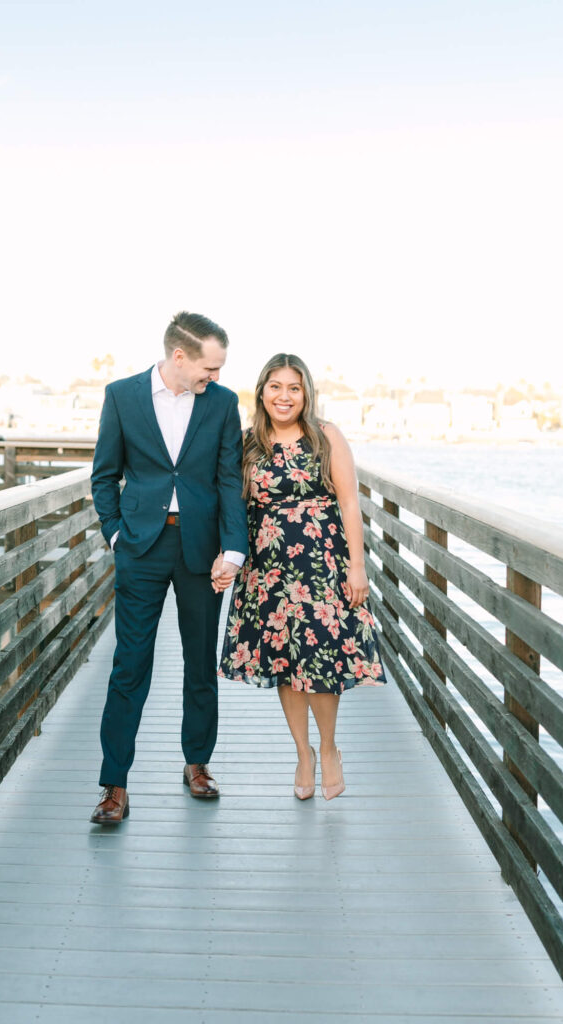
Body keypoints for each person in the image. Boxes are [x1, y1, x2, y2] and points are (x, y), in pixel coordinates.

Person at [89, 311, 248, 824]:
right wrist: (116, 534)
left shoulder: (222, 404)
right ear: (180, 356)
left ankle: (197, 763)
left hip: (202, 551)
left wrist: (233, 549)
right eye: (210, 367)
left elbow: (229, 481)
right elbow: (104, 476)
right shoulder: (122, 395)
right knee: (129, 665)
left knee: (201, 662)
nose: (215, 378)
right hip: (140, 547)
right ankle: (115, 783)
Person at [216, 353, 385, 801]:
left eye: (294, 387)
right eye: (276, 387)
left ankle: (329, 748)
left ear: (306, 392)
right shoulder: (248, 442)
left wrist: (357, 566)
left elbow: (350, 503)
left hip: (321, 567)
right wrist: (226, 557)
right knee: (285, 665)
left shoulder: (325, 437)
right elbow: (231, 505)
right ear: (262, 392)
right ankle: (303, 753)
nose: (284, 396)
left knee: (320, 663)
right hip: (267, 571)